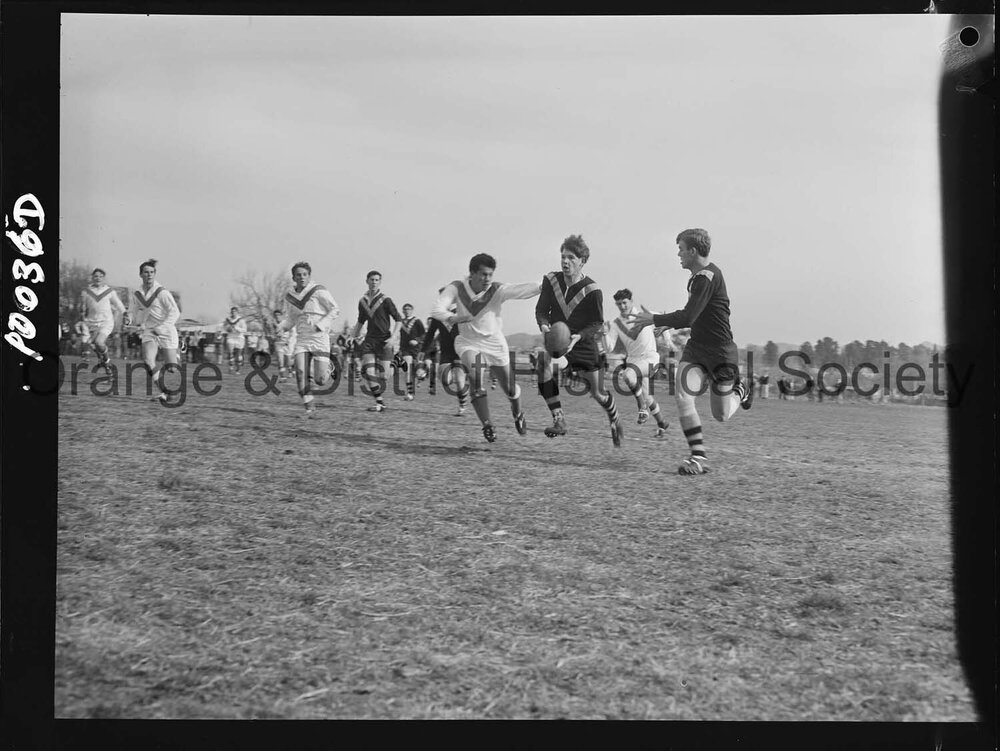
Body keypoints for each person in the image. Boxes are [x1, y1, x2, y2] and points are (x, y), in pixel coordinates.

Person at [629, 228, 753, 475]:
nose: (678, 254)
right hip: (697, 349)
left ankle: (742, 390)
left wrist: (653, 318)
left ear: (693, 251)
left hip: (720, 354)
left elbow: (688, 315)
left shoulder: (707, 277)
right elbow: (694, 314)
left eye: (681, 249)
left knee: (722, 414)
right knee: (683, 396)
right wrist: (668, 322)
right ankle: (697, 457)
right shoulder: (697, 278)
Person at [431, 253, 538, 443]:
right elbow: (437, 310)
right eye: (483, 274)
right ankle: (488, 424)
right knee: (475, 374)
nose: (487, 279)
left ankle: (518, 413)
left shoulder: (496, 290)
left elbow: (521, 290)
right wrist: (451, 317)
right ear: (471, 273)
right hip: (468, 342)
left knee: (510, 389)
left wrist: (547, 284)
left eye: (490, 274)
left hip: (495, 344)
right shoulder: (456, 287)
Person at [535, 234, 625, 447]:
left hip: (582, 344)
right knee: (542, 364)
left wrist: (579, 336)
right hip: (559, 343)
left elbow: (596, 323)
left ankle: (615, 419)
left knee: (598, 393)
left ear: (582, 261)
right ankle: (559, 420)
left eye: (571, 258)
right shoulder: (551, 280)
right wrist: (544, 325)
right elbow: (541, 310)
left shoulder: (593, 291)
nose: (565, 261)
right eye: (563, 257)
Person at [604, 289, 671, 436]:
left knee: (627, 376)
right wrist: (604, 333)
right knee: (647, 396)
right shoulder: (615, 324)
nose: (622, 306)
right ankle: (662, 424)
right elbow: (609, 346)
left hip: (650, 358)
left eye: (624, 302)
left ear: (631, 301)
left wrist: (667, 339)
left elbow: (663, 318)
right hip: (634, 361)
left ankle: (641, 407)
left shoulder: (643, 315)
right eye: (619, 304)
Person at [279, 262, 340, 418]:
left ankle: (329, 367)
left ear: (309, 276)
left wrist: (322, 324)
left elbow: (335, 309)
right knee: (300, 371)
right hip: (303, 339)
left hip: (320, 338)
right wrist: (282, 328)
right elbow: (291, 318)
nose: (301, 277)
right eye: (298, 275)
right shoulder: (290, 296)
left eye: (304, 274)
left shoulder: (318, 291)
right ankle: (309, 408)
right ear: (293, 277)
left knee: (320, 380)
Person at [124, 258, 181, 403]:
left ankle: (180, 349)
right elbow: (132, 310)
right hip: (149, 330)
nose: (149, 275)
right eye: (146, 272)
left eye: (151, 272)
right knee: (148, 361)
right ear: (140, 274)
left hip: (166, 330)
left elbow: (175, 313)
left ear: (155, 274)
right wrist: (128, 318)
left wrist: (161, 328)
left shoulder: (161, 292)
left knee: (172, 369)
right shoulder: (137, 293)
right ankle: (165, 392)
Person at [350, 270, 402, 413]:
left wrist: (393, 338)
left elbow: (399, 320)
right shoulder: (362, 302)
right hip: (370, 341)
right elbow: (360, 322)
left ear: (380, 282)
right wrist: (352, 336)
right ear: (367, 281)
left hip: (385, 340)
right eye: (371, 279)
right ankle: (379, 402)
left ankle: (395, 362)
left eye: (377, 280)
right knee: (369, 371)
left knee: (384, 376)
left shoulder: (386, 300)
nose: (374, 282)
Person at [421, 297, 470, 415]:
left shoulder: (463, 312)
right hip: (446, 352)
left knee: (459, 380)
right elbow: (430, 333)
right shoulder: (437, 316)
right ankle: (460, 380)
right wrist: (423, 350)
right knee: (445, 380)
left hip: (459, 351)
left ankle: (462, 404)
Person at [79, 268, 127, 372]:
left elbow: (118, 304)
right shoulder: (86, 291)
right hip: (91, 322)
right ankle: (107, 367)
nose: (98, 278)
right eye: (96, 276)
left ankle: (107, 361)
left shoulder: (109, 291)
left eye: (100, 276)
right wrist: (82, 316)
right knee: (97, 348)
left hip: (106, 322)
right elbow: (82, 307)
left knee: (99, 342)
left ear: (104, 278)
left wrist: (125, 313)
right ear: (92, 277)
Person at [398, 304, 426, 401]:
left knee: (418, 372)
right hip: (405, 349)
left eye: (409, 309)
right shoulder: (400, 322)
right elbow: (401, 336)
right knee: (408, 370)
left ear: (412, 310)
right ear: (402, 311)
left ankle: (423, 374)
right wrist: (400, 349)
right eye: (405, 309)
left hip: (416, 349)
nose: (407, 311)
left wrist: (417, 340)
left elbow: (424, 335)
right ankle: (410, 393)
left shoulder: (417, 321)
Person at [272, 309, 296, 383]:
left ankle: (291, 370)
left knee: (288, 362)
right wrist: (274, 337)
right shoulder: (273, 323)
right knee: (280, 360)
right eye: (275, 315)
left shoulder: (286, 323)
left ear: (281, 316)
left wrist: (289, 341)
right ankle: (282, 377)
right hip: (279, 343)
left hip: (287, 344)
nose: (277, 317)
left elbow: (293, 332)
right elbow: (273, 333)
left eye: (278, 315)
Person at [223, 307, 248, 374]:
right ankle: (231, 367)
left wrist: (237, 328)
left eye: (235, 311)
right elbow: (224, 327)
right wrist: (228, 329)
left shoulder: (241, 320)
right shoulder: (228, 319)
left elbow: (245, 330)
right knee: (231, 353)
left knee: (238, 355)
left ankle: (238, 369)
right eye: (232, 311)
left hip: (239, 338)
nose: (233, 313)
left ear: (237, 312)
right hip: (231, 337)